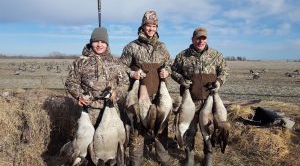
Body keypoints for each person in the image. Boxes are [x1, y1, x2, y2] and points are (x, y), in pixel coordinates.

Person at [171, 27, 229, 166]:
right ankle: (189, 156)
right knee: (189, 130)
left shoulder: (216, 55)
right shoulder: (182, 56)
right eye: (198, 38)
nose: (200, 41)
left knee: (208, 130)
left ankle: (208, 155)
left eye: (203, 38)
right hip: (190, 101)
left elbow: (225, 71)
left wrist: (219, 82)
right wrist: (181, 80)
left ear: (206, 39)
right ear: (192, 39)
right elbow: (172, 71)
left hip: (210, 100)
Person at [120, 10, 172, 166]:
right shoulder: (132, 47)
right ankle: (136, 160)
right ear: (142, 26)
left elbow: (169, 64)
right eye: (148, 25)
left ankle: (163, 158)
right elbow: (120, 67)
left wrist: (167, 71)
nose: (151, 29)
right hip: (138, 95)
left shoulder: (162, 47)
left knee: (161, 126)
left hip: (159, 95)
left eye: (154, 26)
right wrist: (132, 73)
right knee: (137, 128)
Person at [65, 27, 129, 134]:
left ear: (107, 44)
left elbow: (125, 82)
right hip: (89, 111)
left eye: (103, 42)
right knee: (88, 144)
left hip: (111, 109)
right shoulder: (81, 61)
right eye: (96, 41)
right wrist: (80, 95)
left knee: (110, 144)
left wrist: (116, 94)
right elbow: (71, 82)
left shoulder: (116, 61)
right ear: (91, 42)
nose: (99, 45)